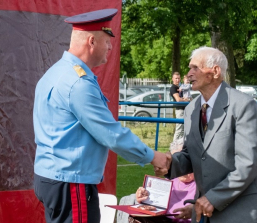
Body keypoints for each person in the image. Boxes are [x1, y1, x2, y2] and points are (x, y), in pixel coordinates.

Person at [33, 8, 168, 223]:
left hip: (52, 177)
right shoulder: (78, 83)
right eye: (107, 41)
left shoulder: (55, 73)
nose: (111, 46)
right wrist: (153, 156)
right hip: (71, 182)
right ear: (91, 42)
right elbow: (111, 134)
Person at [156, 46, 257, 223]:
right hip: (205, 214)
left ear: (215, 71)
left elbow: (248, 163)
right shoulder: (191, 109)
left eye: (195, 68)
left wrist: (213, 198)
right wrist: (170, 164)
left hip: (241, 213)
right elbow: (192, 154)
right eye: (189, 68)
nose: (189, 74)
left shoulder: (243, 105)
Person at [128, 139, 196, 223]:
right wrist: (143, 198)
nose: (181, 167)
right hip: (163, 220)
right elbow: (153, 206)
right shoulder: (167, 182)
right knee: (136, 217)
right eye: (176, 162)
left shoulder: (201, 184)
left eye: (184, 162)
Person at [170, 72, 189, 141]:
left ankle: (180, 146)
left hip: (184, 109)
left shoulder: (181, 87)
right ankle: (174, 147)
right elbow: (178, 99)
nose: (177, 80)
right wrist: (186, 100)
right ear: (172, 79)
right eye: (176, 78)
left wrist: (187, 99)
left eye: (178, 78)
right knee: (179, 129)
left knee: (184, 130)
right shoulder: (173, 88)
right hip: (179, 109)